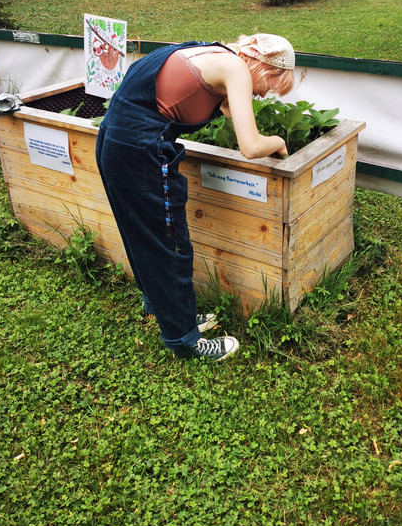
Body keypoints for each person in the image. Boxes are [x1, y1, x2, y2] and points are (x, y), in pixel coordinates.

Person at [95, 34, 296, 362]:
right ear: (265, 68)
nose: (264, 93)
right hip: (140, 152)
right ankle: (183, 340)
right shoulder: (236, 70)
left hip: (115, 140)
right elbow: (251, 146)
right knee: (171, 244)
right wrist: (277, 141)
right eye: (272, 85)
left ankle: (169, 312)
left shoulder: (214, 54)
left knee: (144, 237)